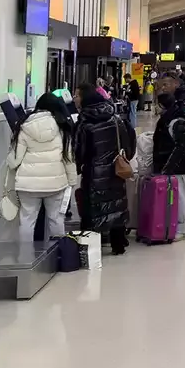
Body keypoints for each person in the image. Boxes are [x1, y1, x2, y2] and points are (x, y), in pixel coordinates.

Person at [1, 92, 77, 241]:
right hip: (55, 183)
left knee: (27, 221)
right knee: (56, 220)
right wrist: (72, 181)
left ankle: (25, 256)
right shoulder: (61, 126)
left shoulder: (24, 125)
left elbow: (15, 160)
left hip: (28, 185)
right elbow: (69, 158)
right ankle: (57, 255)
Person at [74, 87, 135, 255]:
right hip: (115, 170)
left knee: (92, 208)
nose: (74, 98)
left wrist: (78, 166)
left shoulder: (84, 122)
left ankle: (90, 248)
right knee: (116, 205)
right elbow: (128, 142)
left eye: (77, 95)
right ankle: (118, 244)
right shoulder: (115, 118)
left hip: (93, 173)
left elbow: (79, 150)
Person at [152, 77, 185, 237]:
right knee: (178, 195)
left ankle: (183, 228)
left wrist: (168, 167)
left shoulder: (176, 119)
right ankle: (180, 223)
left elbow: (180, 146)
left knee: (181, 195)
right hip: (172, 164)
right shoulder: (170, 117)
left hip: (177, 165)